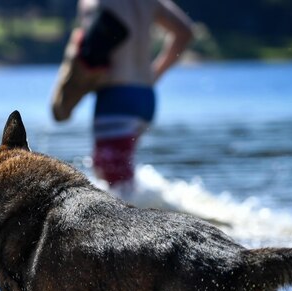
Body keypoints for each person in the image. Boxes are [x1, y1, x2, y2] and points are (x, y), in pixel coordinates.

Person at [51, 0, 194, 190]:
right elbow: (185, 32)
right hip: (145, 97)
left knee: (113, 183)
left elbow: (84, 52)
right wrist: (155, 73)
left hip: (115, 98)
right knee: (122, 179)